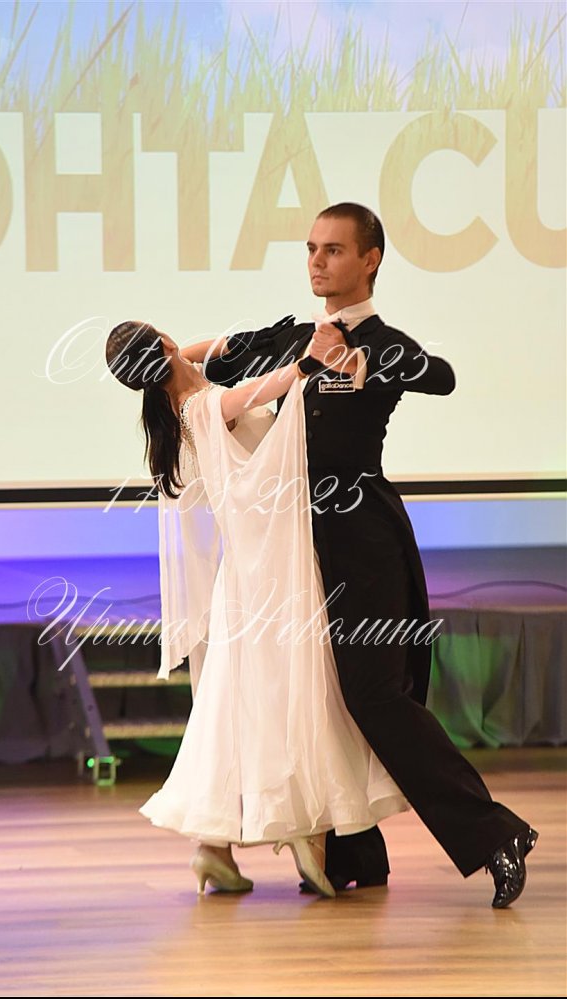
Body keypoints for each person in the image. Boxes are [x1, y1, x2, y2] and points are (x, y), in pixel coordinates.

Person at [202, 202, 538, 908]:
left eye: (333, 249)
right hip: (296, 547)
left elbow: (439, 374)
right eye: (311, 249)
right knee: (321, 693)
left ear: (369, 259)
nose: (317, 261)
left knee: (376, 694)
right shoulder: (293, 336)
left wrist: (364, 359)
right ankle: (357, 854)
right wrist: (160, 353)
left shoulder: (383, 343)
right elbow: (216, 352)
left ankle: (495, 835)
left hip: (364, 542)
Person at [105, 319, 409, 897]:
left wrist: (192, 350)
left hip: (244, 576)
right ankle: (303, 826)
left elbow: (202, 352)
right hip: (273, 566)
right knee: (292, 691)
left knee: (236, 701)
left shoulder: (174, 403)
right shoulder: (204, 406)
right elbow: (264, 389)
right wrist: (308, 362)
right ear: (162, 344)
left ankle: (214, 848)